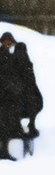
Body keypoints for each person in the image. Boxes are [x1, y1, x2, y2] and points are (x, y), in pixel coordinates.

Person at [0, 30, 41, 159]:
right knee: (4, 124)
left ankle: (11, 149)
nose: (7, 43)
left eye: (9, 41)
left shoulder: (17, 55)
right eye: (5, 41)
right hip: (5, 96)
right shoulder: (4, 55)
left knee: (12, 122)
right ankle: (4, 150)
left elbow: (25, 74)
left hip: (15, 96)